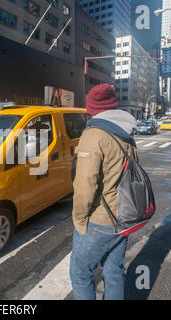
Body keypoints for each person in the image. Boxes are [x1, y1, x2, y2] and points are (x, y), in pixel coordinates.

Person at [69, 83, 138, 300]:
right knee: (114, 272)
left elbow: (85, 186)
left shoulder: (94, 135)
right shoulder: (127, 134)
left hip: (100, 220)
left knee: (80, 274)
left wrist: (79, 220)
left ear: (92, 107)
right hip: (125, 216)